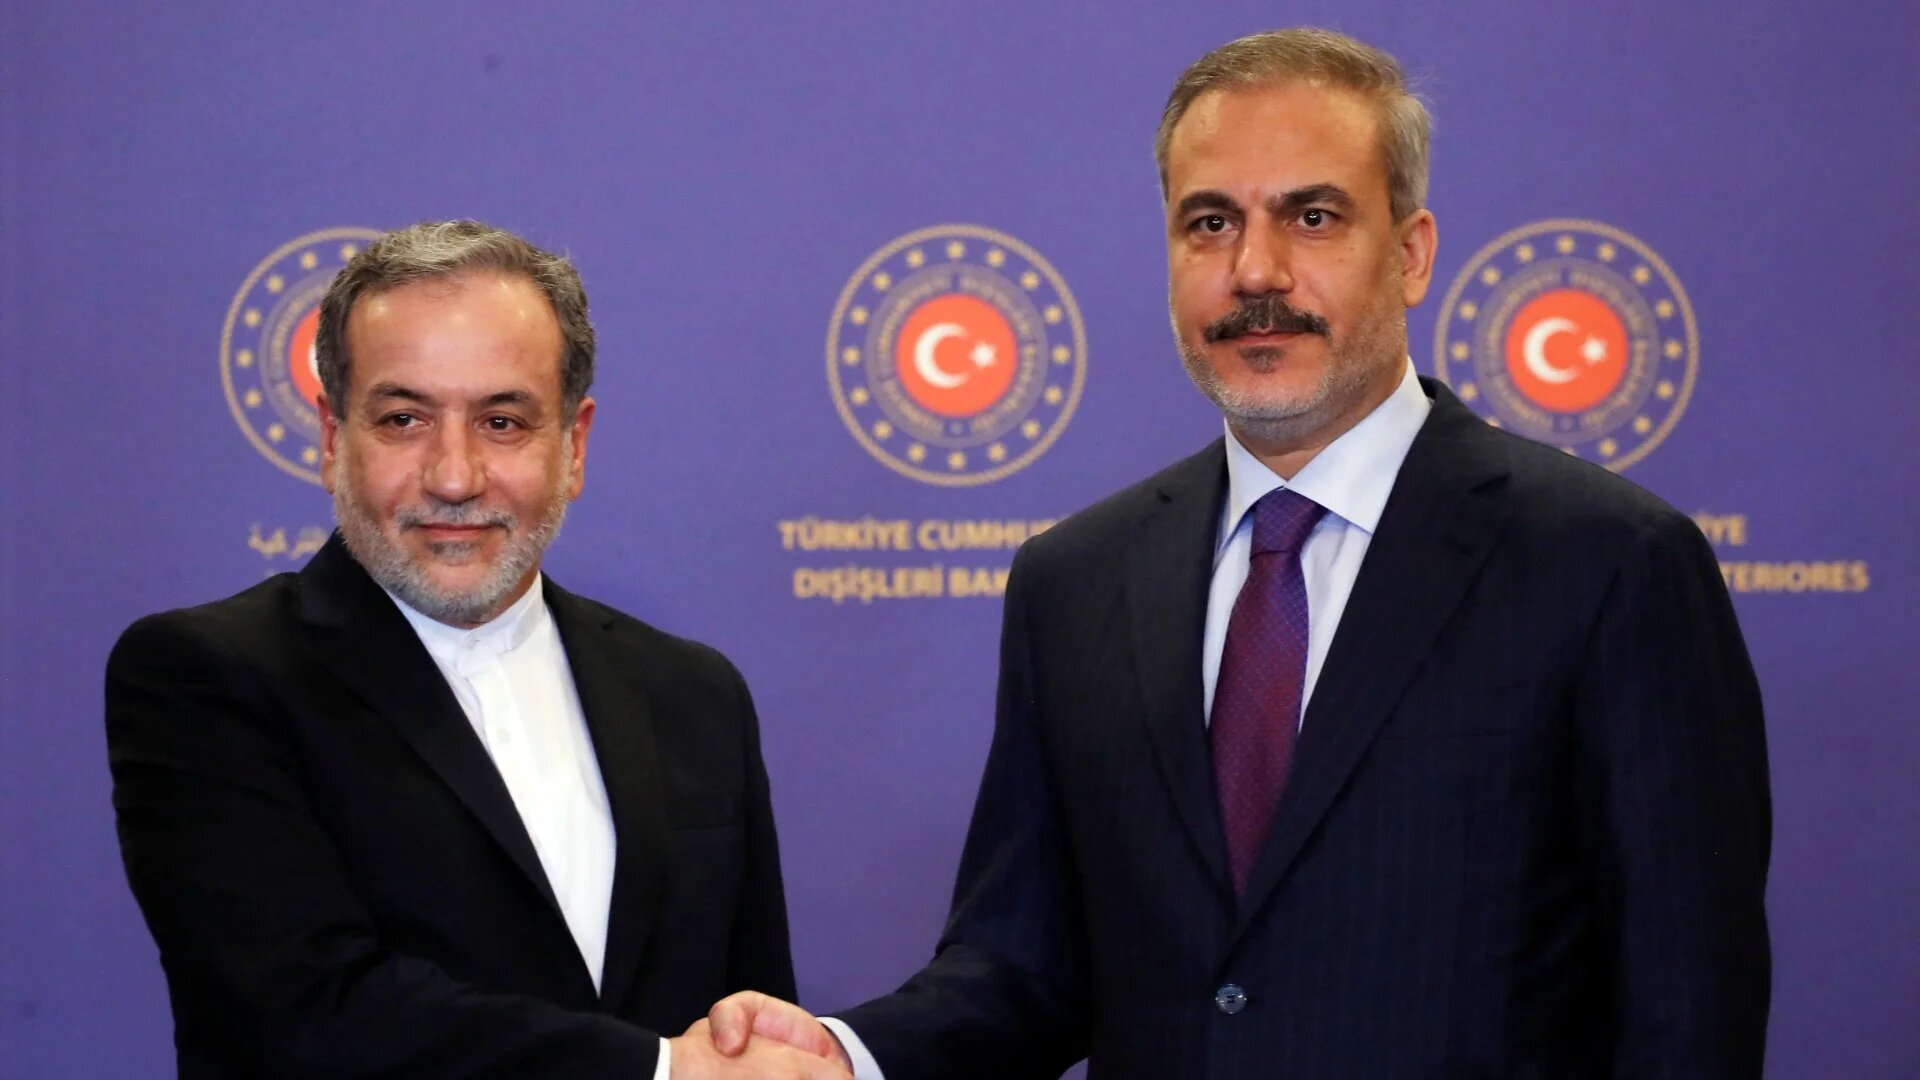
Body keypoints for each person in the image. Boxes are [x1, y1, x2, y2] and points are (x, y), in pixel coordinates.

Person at [705, 27, 1772, 1078]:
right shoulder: (1075, 580)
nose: (1255, 271)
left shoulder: (1606, 565)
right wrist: (850, 1057)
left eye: (1312, 217)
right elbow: (1026, 966)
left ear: (1410, 254)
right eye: (1209, 223)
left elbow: (1686, 1009)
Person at [106, 221, 849, 1079]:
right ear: (329, 437)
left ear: (573, 446)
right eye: (403, 418)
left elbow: (742, 1021)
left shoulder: (694, 693)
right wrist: (659, 1072)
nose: (453, 477)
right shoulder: (207, 677)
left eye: (502, 421)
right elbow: (300, 1013)